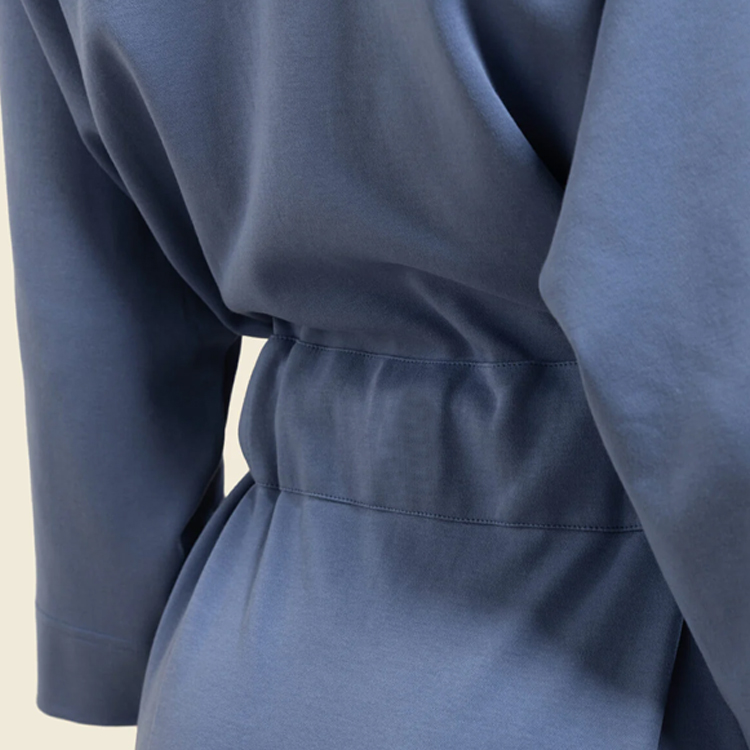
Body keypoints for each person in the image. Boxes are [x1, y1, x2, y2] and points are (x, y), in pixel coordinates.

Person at [0, 1, 748, 747]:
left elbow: (87, 255)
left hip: (248, 655)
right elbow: (692, 331)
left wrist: (107, 624)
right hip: (619, 652)